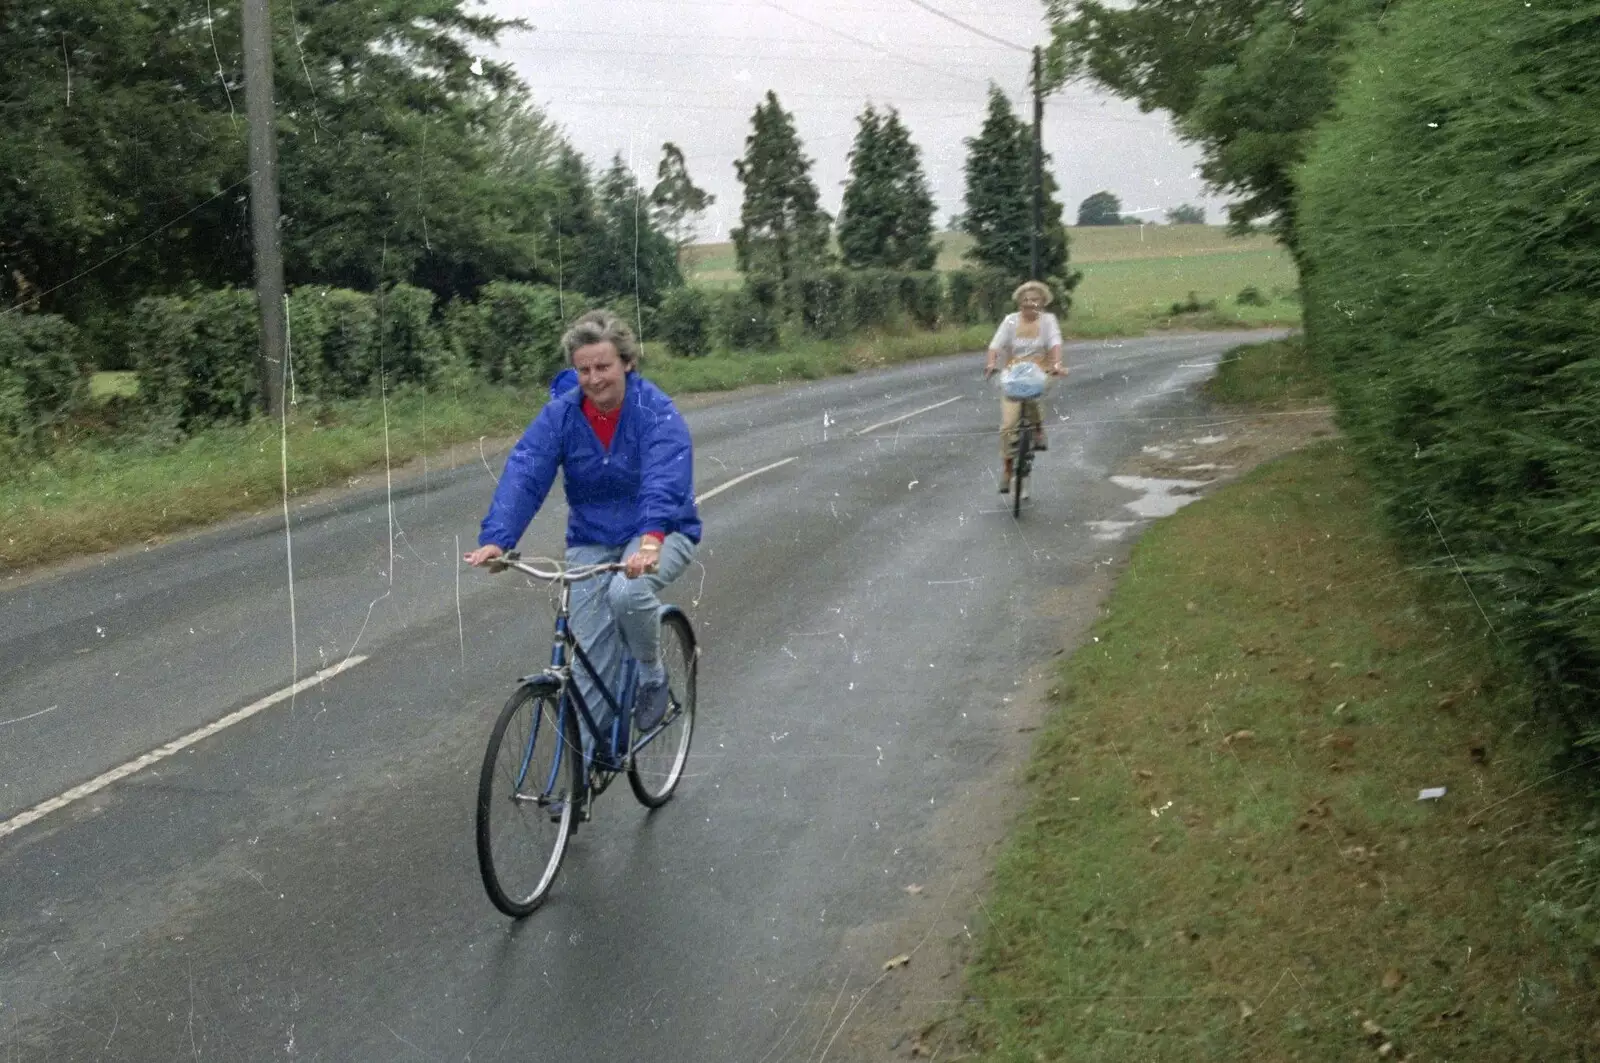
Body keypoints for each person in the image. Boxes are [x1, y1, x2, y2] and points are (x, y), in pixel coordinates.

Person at [464, 309, 701, 742]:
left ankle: (651, 676)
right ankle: (584, 773)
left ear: (627, 362)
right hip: (592, 538)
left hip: (663, 531)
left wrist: (650, 541)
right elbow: (526, 473)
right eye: (584, 369)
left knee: (628, 593)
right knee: (590, 653)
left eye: (604, 366)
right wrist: (498, 540)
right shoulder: (562, 414)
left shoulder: (655, 412)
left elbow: (663, 481)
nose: (594, 379)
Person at [983, 281, 1067, 495]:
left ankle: (1038, 430)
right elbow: (995, 345)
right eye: (1025, 300)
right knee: (1008, 426)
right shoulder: (1010, 321)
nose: (1030, 303)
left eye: (1035, 299)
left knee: (1034, 399)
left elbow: (1055, 343)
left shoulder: (1048, 321)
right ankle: (1007, 470)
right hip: (1013, 374)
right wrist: (992, 364)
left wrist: (1056, 365)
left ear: (1043, 302)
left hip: (1040, 372)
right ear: (1019, 302)